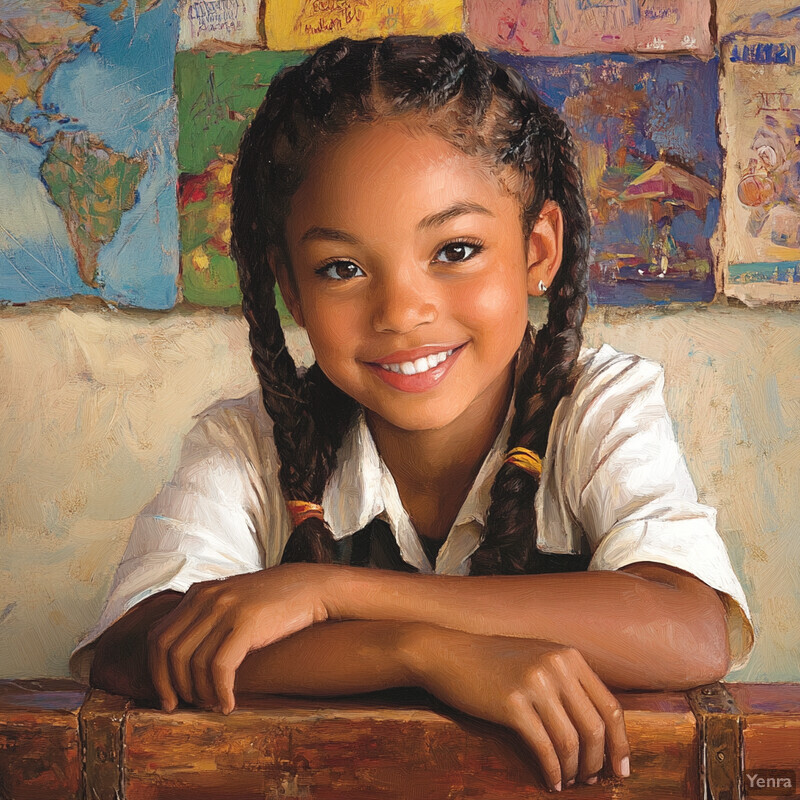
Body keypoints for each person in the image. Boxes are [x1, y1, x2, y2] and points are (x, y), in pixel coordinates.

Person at [73, 33, 754, 793]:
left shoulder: (597, 406)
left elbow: (688, 630)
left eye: (455, 251)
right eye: (342, 268)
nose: (401, 311)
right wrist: (419, 653)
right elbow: (136, 647)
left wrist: (331, 593)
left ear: (537, 250)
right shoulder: (249, 441)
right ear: (291, 290)